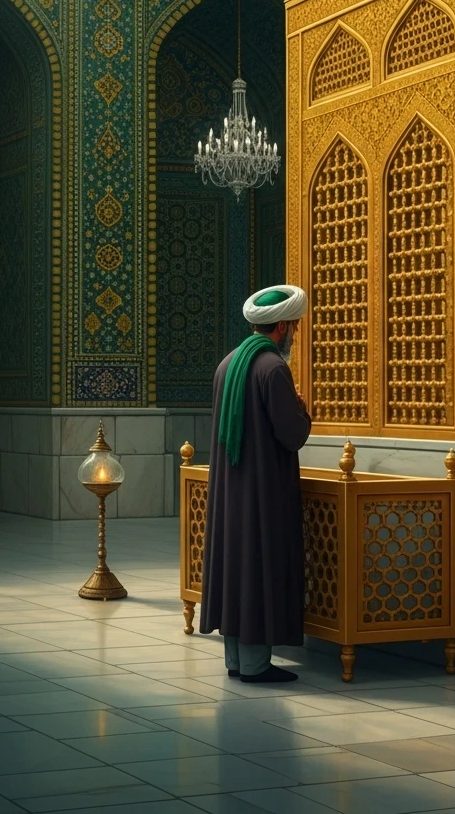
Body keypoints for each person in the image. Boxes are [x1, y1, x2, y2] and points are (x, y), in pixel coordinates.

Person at [200, 284, 312, 684]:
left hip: (232, 488)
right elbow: (291, 434)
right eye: (294, 327)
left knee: (236, 566)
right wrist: (302, 410)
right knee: (259, 566)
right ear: (282, 326)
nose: (295, 334)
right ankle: (255, 665)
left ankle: (236, 659)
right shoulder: (273, 368)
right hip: (264, 490)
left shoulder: (228, 363)